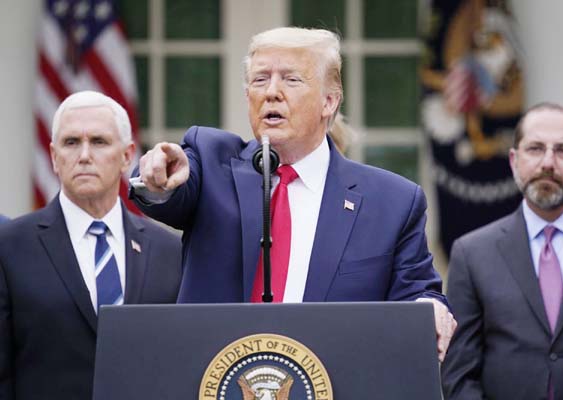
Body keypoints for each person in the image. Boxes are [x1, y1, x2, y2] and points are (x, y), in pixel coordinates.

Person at [130, 27, 456, 361]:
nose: (271, 92)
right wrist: (160, 177)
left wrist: (428, 308)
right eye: (260, 80)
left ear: (329, 101)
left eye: (291, 80)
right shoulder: (211, 162)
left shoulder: (392, 202)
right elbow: (168, 191)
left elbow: (418, 291)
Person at [0, 91, 182, 400]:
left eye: (99, 142)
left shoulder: (169, 251)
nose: (84, 155)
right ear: (54, 157)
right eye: (71, 143)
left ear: (127, 156)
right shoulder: (9, 247)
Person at [441, 102, 563, 399]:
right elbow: (458, 374)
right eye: (535, 149)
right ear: (513, 160)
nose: (548, 163)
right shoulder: (472, 254)